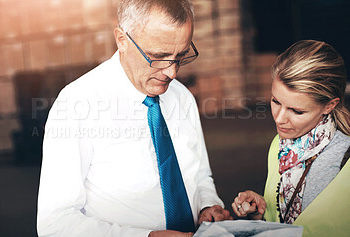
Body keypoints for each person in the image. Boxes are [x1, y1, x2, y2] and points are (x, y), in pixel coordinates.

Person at [37, 0, 231, 236]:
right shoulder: (76, 106)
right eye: (158, 56)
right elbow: (55, 224)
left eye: (180, 55)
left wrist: (208, 204)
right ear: (122, 39)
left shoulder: (182, 97)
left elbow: (199, 175)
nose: (172, 72)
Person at [231, 40, 350, 236]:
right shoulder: (279, 144)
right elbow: (283, 221)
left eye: (296, 111)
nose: (279, 118)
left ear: (329, 105)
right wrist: (260, 212)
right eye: (276, 101)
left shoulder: (345, 161)